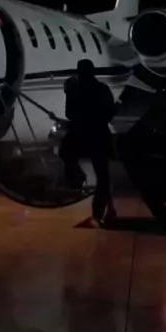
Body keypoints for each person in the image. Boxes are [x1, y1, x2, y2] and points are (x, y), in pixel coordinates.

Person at [59, 59, 116, 227]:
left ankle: (78, 179)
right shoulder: (103, 89)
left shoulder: (75, 90)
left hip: (81, 133)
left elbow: (70, 114)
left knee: (66, 154)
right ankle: (99, 213)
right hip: (98, 134)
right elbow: (110, 113)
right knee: (102, 175)